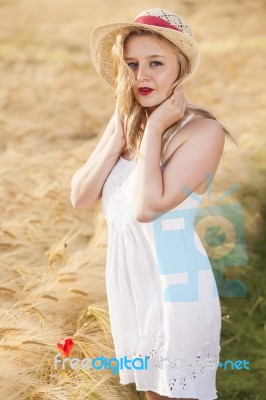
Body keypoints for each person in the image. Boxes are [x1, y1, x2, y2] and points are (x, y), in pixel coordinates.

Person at [70, 8, 236, 400]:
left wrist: (156, 127)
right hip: (132, 288)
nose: (141, 76)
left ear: (180, 69)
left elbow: (148, 206)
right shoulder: (126, 125)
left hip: (175, 287)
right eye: (131, 64)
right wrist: (119, 127)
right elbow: (80, 196)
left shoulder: (202, 131)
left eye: (155, 63)